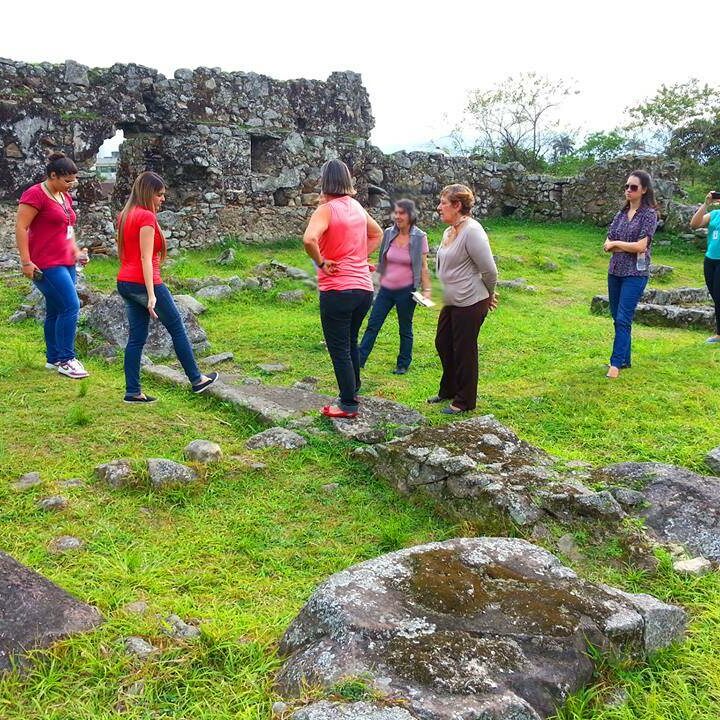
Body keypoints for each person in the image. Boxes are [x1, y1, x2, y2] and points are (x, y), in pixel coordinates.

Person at [116, 171, 218, 403]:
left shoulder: (124, 215)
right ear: (148, 193)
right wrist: (151, 295)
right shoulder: (145, 218)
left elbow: (125, 252)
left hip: (125, 282)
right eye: (159, 195)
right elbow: (144, 257)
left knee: (136, 338)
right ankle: (197, 379)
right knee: (177, 326)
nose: (163, 199)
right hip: (144, 282)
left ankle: (133, 391)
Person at [303, 159, 383, 418]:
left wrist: (322, 262)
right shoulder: (357, 207)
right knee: (350, 341)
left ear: (324, 181)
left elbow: (309, 239)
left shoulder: (326, 210)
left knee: (338, 347)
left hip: (337, 289)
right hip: (363, 290)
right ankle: (353, 389)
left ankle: (347, 404)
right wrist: (358, 258)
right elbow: (378, 233)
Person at [15, 152, 90, 379]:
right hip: (45, 263)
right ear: (53, 175)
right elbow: (21, 227)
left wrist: (77, 253)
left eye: (74, 180)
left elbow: (66, 230)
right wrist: (26, 262)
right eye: (67, 180)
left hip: (65, 260)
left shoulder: (63, 197)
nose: (71, 185)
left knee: (56, 310)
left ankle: (54, 357)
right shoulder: (35, 194)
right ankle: (67, 359)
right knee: (71, 305)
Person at [429, 184, 498, 414]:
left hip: (470, 301)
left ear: (457, 206)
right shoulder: (449, 231)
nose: (439, 207)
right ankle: (448, 389)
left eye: (443, 203)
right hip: (451, 299)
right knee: (443, 342)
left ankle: (464, 401)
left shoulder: (472, 231)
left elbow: (489, 270)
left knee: (463, 350)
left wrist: (489, 295)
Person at [357, 199, 431, 375]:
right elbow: (383, 259)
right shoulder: (389, 233)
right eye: (395, 213)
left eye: (401, 213)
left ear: (411, 215)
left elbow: (423, 267)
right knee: (373, 324)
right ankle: (359, 360)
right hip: (386, 290)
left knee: (405, 328)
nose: (397, 217)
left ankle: (403, 364)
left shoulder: (420, 237)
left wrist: (427, 291)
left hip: (406, 291)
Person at [603, 170, 658, 378]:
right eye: (626, 186)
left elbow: (642, 246)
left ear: (644, 190)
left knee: (624, 318)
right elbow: (607, 244)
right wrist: (622, 245)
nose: (628, 190)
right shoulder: (620, 214)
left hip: (635, 273)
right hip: (615, 271)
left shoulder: (649, 214)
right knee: (617, 318)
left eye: (633, 187)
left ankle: (615, 363)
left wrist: (617, 244)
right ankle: (624, 359)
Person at [690, 190, 720, 343]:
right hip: (710, 260)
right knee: (716, 296)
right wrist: (705, 204)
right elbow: (694, 224)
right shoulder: (715, 214)